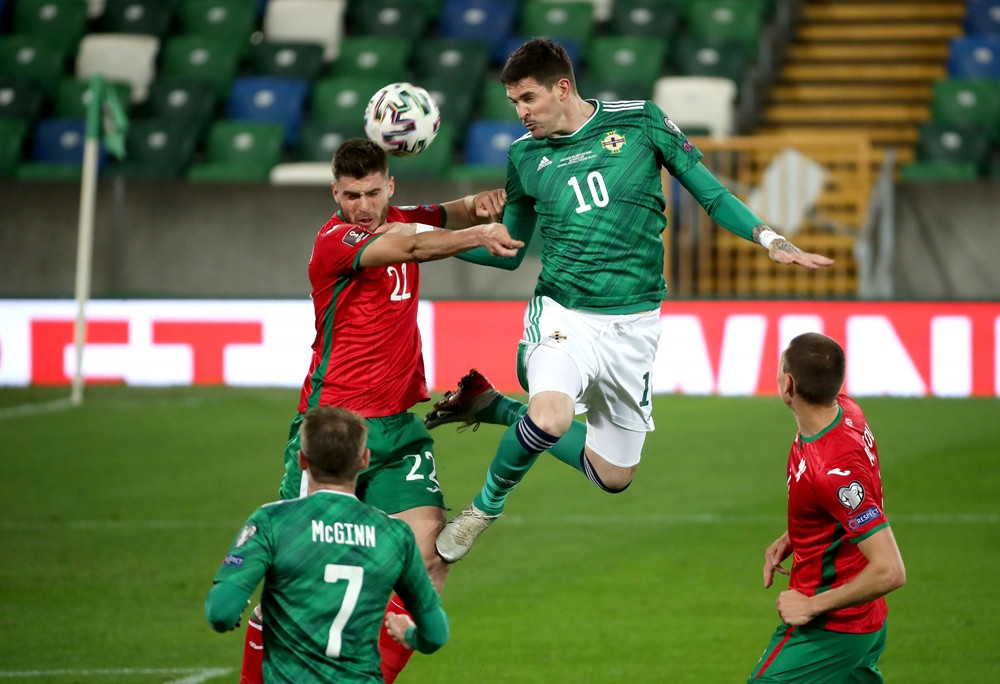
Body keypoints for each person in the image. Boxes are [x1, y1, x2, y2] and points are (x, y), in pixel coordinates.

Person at [429, 37, 836, 563]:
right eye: (514, 104)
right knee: (551, 417)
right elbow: (509, 253)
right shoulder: (525, 157)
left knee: (614, 476)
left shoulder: (640, 122)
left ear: (563, 87)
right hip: (563, 314)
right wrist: (435, 245)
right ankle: (483, 510)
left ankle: (498, 408)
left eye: (528, 99)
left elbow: (710, 194)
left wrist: (769, 239)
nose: (521, 113)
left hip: (634, 325)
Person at [236, 138, 522, 684]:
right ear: (335, 193)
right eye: (350, 195)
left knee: (430, 561)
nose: (361, 206)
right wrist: (476, 235)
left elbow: (449, 213)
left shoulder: (403, 217)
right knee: (296, 581)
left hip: (395, 430)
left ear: (390, 186)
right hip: (331, 430)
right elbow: (413, 248)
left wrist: (484, 203)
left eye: (371, 193)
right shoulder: (335, 240)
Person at [206, 406, 449, 683]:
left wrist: (233, 597)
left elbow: (221, 613)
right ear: (365, 459)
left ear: (301, 460)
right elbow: (436, 634)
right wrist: (408, 633)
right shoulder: (395, 534)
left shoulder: (273, 520)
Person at [747, 332, 905, 682]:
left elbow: (891, 570)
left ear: (788, 384)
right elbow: (848, 501)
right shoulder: (846, 411)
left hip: (834, 627)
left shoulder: (831, 469)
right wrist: (797, 534)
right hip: (862, 621)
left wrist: (810, 606)